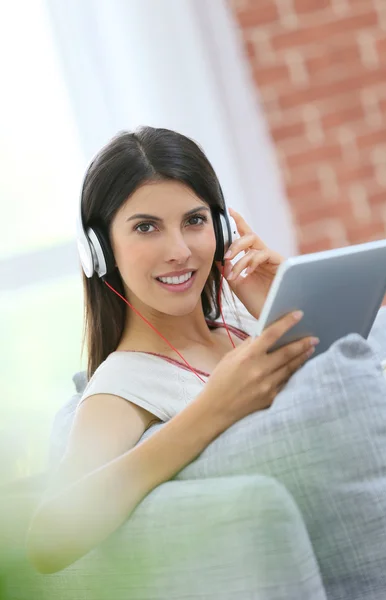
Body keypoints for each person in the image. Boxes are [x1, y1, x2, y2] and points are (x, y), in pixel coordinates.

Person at [26, 126, 318, 574]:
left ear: (222, 228)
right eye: (146, 227)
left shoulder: (243, 323)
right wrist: (211, 411)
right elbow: (48, 538)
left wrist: (278, 305)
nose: (179, 251)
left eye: (194, 221)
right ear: (100, 252)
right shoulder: (123, 385)